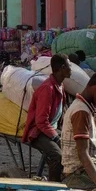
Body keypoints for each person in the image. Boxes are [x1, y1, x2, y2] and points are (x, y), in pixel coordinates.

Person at [22, 54, 71, 182]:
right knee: (57, 156)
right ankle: (53, 189)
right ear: (61, 68)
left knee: (74, 149)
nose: (71, 70)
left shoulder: (60, 86)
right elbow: (41, 121)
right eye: (69, 67)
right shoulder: (47, 89)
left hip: (51, 129)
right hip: (39, 132)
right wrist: (56, 137)